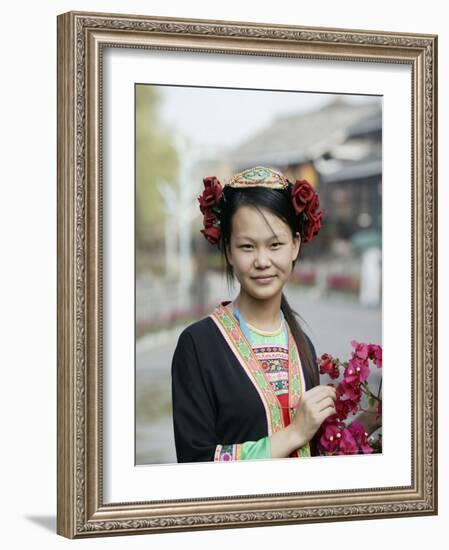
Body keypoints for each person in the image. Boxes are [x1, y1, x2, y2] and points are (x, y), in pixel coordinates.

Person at [171, 166, 364, 463]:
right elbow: (194, 463)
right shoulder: (198, 346)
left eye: (275, 245)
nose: (262, 261)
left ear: (295, 246)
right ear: (228, 251)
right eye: (247, 247)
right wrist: (293, 434)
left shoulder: (302, 345)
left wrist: (370, 422)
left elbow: (314, 453)